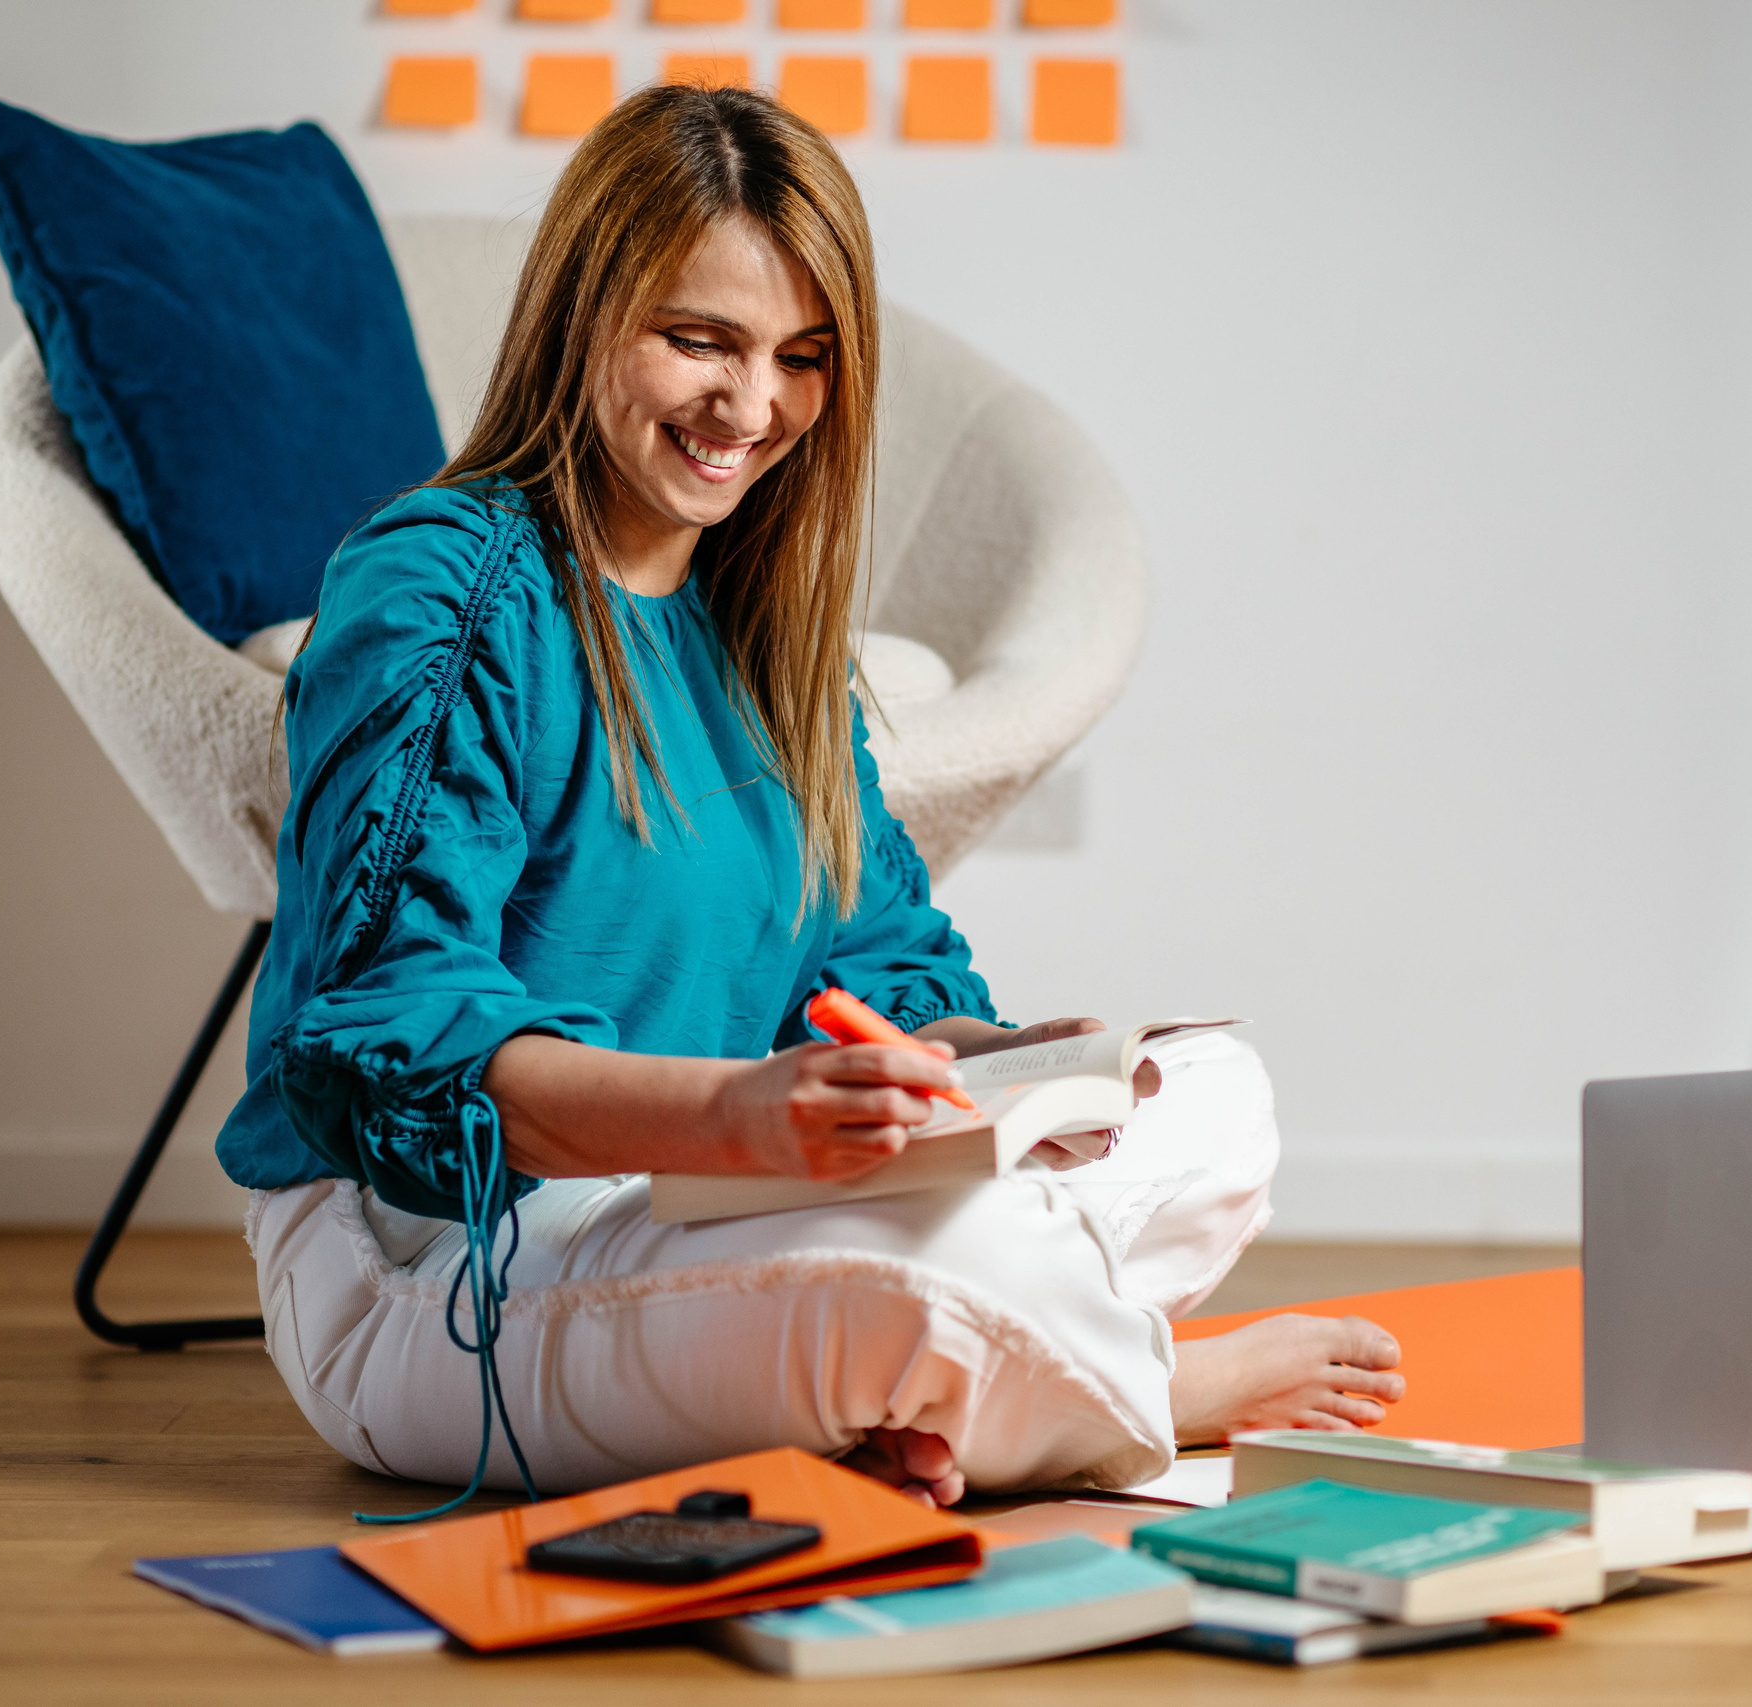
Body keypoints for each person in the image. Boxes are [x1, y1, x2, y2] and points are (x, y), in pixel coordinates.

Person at [219, 83, 1402, 1512]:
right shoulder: (440, 585)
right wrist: (743, 1116)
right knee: (957, 1267)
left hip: (695, 1210)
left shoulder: (759, 626)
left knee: (1211, 1100)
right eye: (698, 341)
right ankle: (1153, 1389)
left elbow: (871, 964)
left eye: (802, 357)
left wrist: (993, 1063)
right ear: (584, 316)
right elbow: (387, 1046)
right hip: (435, 1264)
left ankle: (949, 1375)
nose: (752, 406)